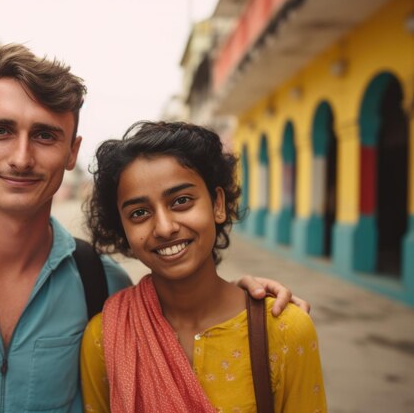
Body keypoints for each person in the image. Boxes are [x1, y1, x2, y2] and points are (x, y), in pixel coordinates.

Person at [0, 44, 305, 413]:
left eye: (44, 135)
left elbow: (192, 315)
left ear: (71, 150)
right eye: (0, 130)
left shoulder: (102, 285)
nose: (21, 157)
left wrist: (253, 300)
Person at [80, 121, 327, 413]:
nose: (164, 227)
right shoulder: (104, 338)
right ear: (124, 230)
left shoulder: (284, 330)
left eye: (181, 201)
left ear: (218, 204)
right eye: (139, 213)